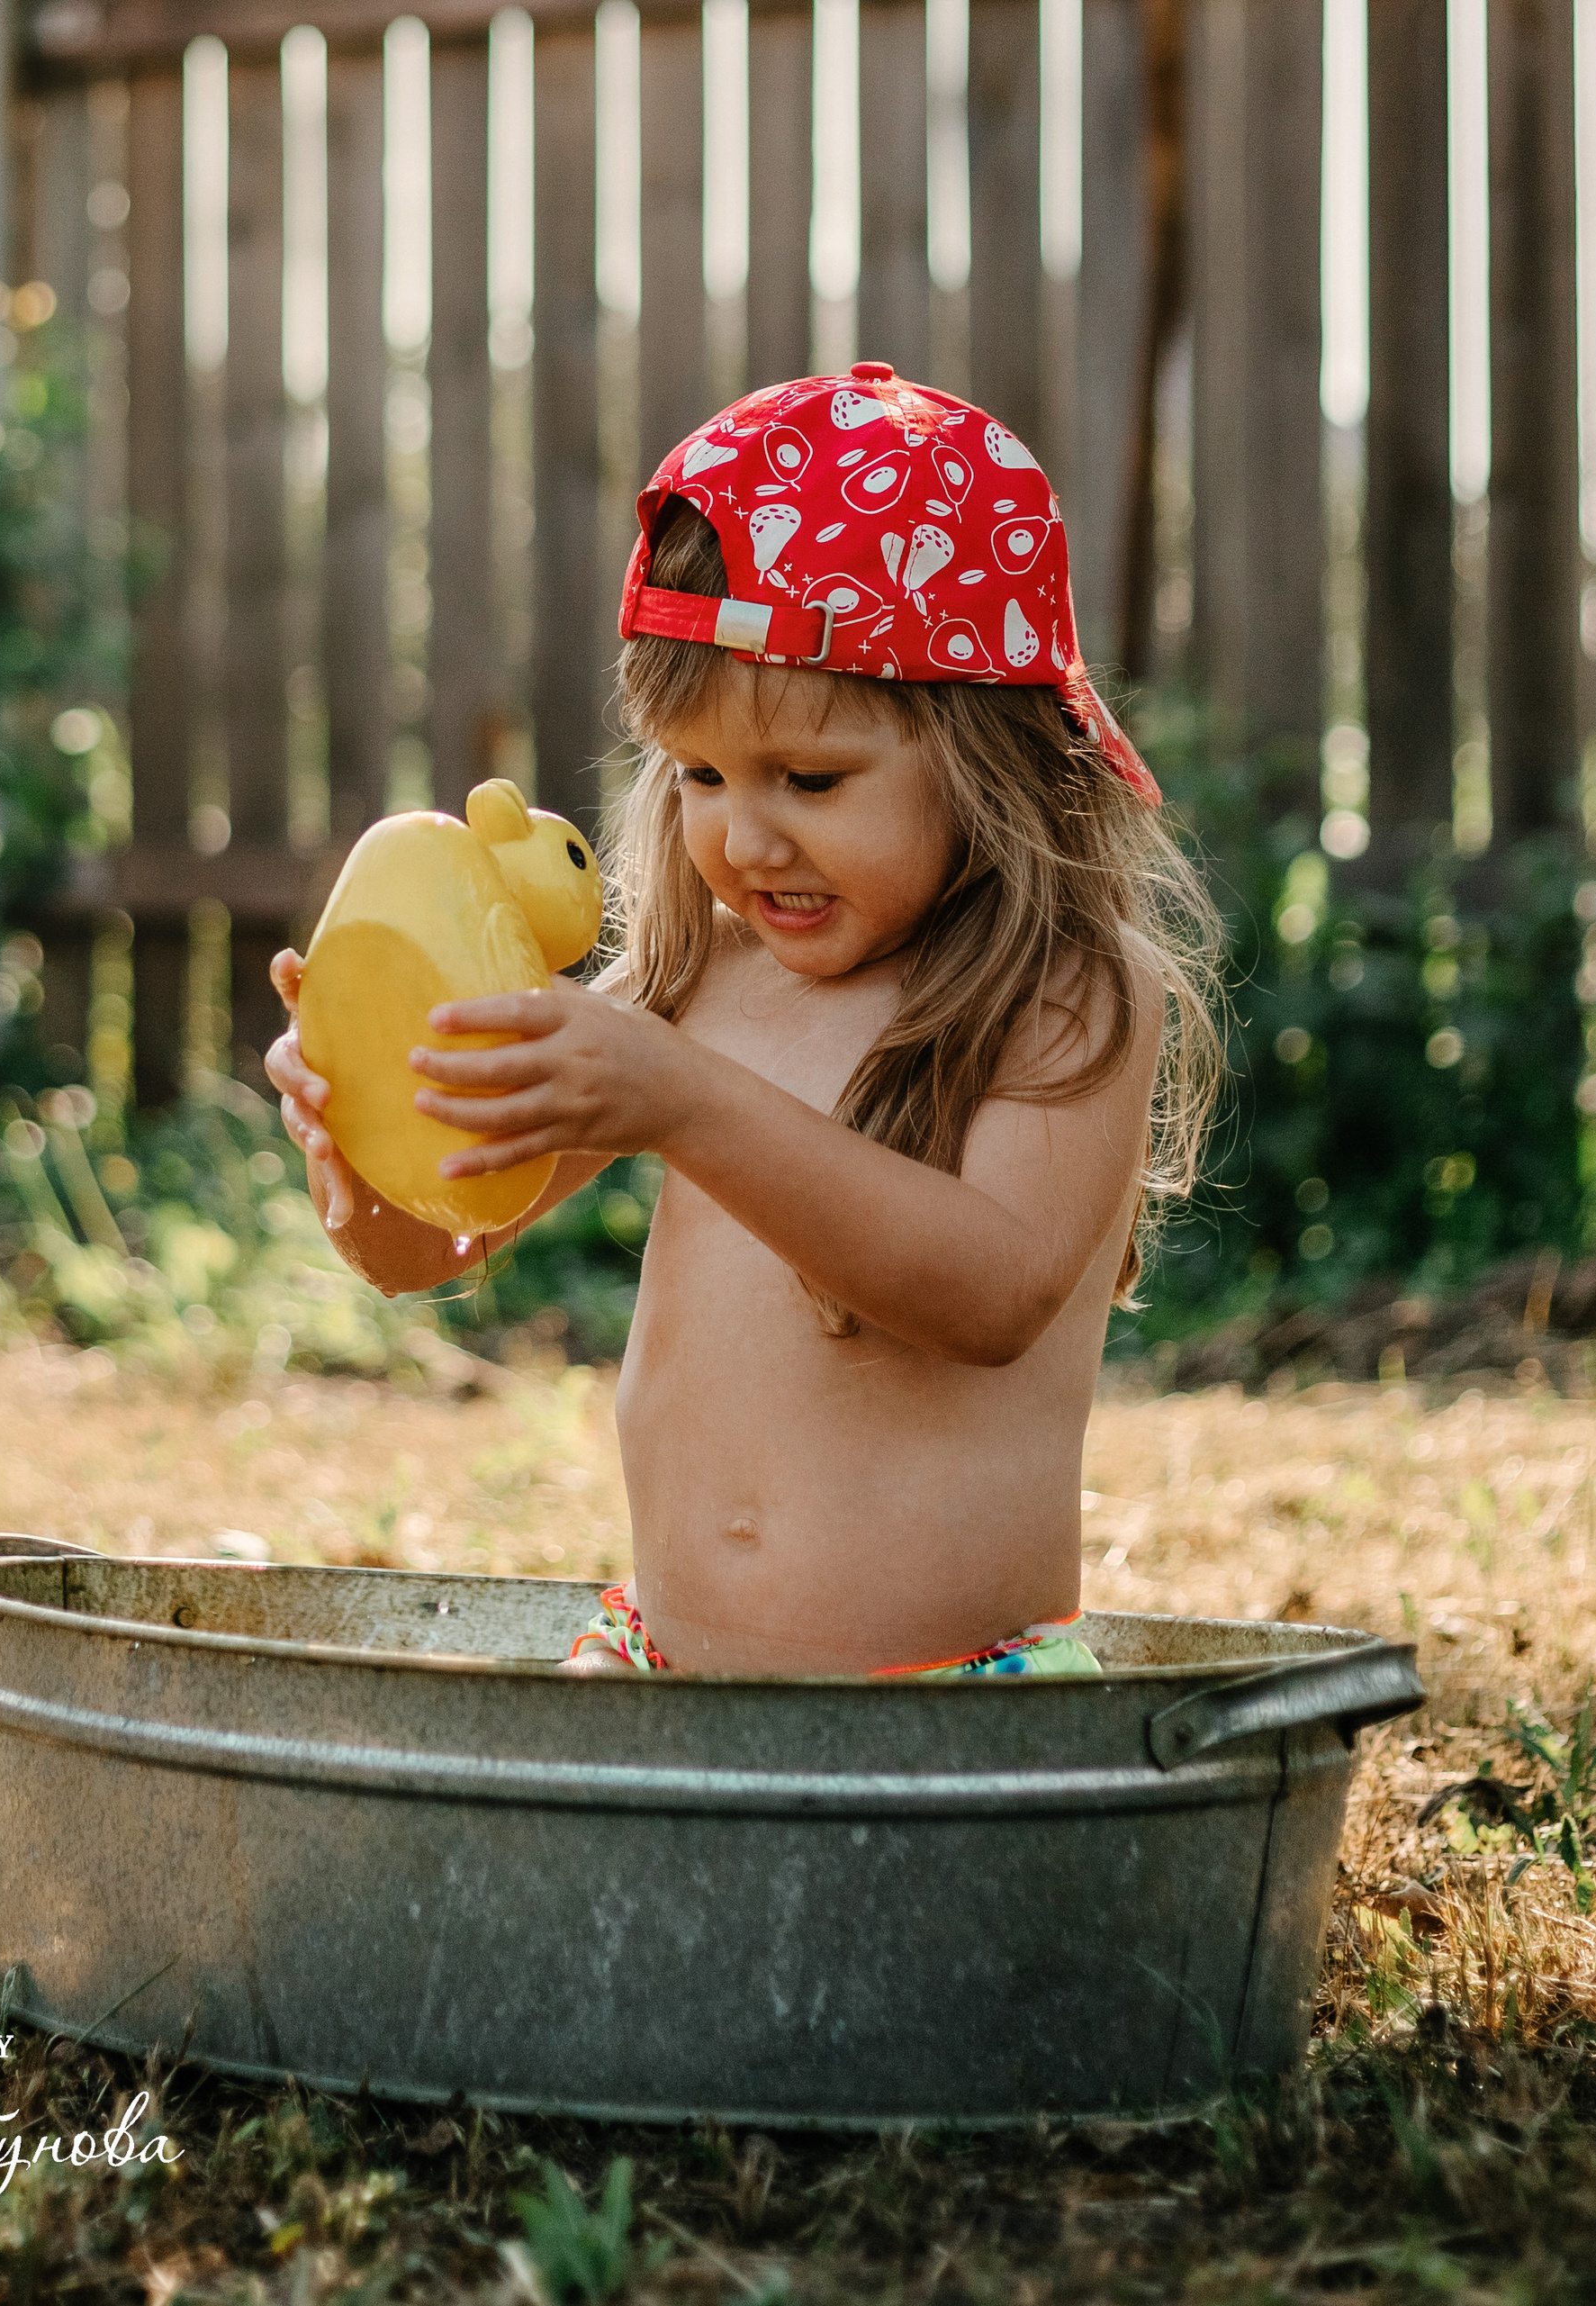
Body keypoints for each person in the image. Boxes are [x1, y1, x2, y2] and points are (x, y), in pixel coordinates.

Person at [265, 363, 1222, 1678]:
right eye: (702, 773)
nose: (744, 831)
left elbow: (992, 1294)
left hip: (952, 1703)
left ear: (988, 753)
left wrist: (688, 1103)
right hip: (658, 1662)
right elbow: (431, 1242)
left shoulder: (1066, 990)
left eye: (810, 778)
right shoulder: (694, 985)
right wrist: (356, 1133)